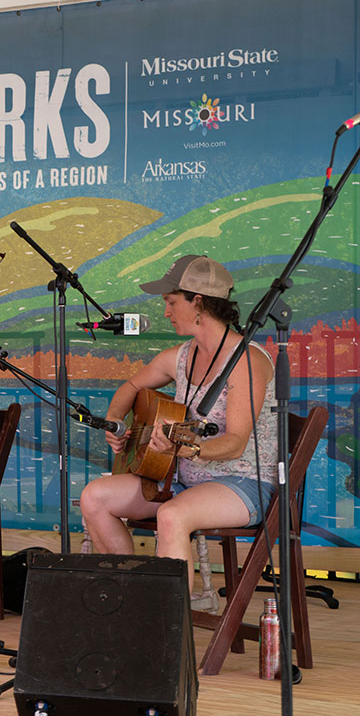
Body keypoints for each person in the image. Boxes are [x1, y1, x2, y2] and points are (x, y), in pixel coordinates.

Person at [79, 255, 277, 599]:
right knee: (94, 497)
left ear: (197, 302)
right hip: (181, 479)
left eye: (171, 302)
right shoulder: (181, 356)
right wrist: (115, 422)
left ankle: (168, 633)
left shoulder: (247, 360)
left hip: (241, 482)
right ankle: (131, 601)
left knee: (172, 515)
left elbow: (235, 443)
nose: (166, 312)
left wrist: (184, 448)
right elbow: (130, 388)